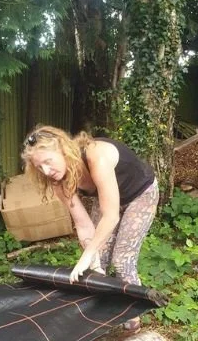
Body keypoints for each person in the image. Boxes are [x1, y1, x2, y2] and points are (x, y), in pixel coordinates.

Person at [22, 125, 158, 329]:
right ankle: (104, 315)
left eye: (48, 161)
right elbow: (83, 223)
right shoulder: (57, 181)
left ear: (63, 149)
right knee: (98, 260)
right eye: (39, 167)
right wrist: (92, 257)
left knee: (122, 260)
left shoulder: (97, 156)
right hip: (107, 199)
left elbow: (111, 216)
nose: (46, 171)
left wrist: (87, 255)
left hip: (140, 195)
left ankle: (132, 324)